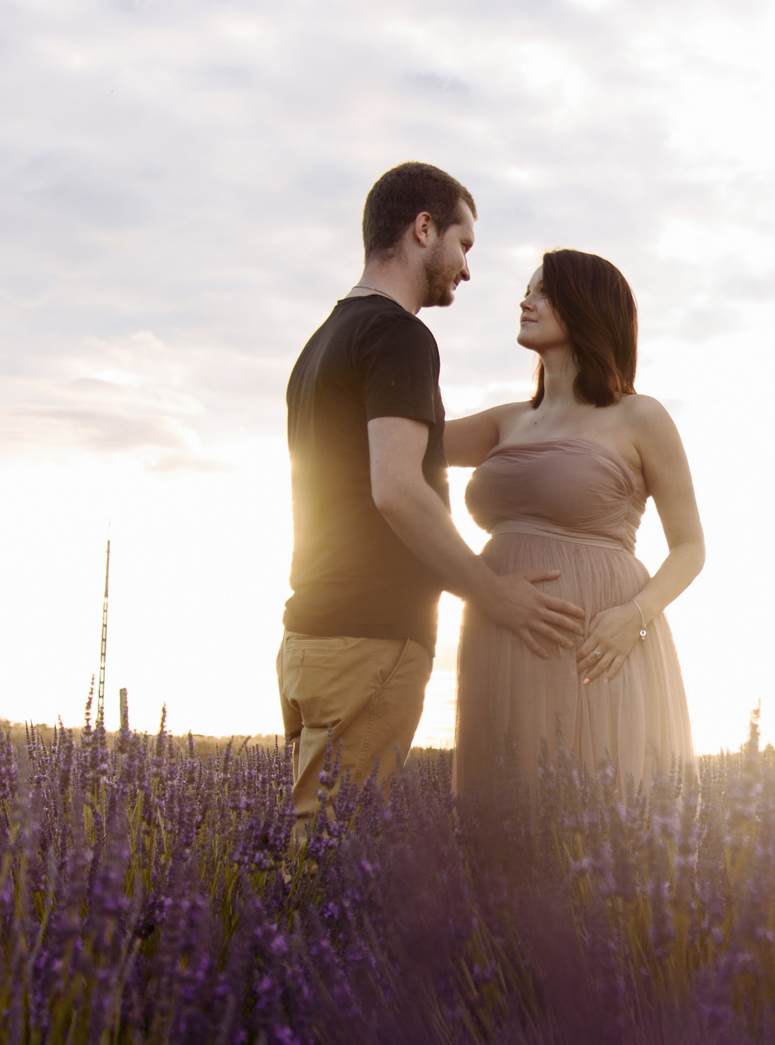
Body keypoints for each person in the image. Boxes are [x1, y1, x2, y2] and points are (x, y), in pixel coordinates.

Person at [277, 163, 585, 842]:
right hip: (370, 641)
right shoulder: (400, 336)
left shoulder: (323, 342)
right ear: (423, 229)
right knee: (332, 870)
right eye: (464, 244)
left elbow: (400, 461)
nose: (467, 271)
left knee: (311, 850)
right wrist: (490, 591)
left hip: (311, 640)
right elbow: (396, 487)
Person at [447, 249, 703, 800]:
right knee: (505, 817)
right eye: (528, 289)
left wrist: (633, 617)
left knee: (604, 819)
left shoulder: (639, 417)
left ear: (585, 307)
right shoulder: (506, 420)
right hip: (501, 632)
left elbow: (690, 548)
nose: (525, 300)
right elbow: (399, 440)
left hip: (600, 640)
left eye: (542, 291)